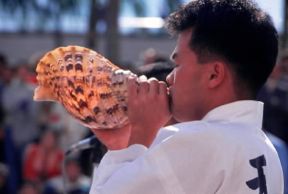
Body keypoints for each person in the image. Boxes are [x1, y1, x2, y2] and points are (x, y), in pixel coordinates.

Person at [89, 0, 284, 193]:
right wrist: (120, 144)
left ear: (214, 75)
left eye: (178, 64)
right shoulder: (267, 149)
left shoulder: (196, 141)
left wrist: (140, 134)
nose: (170, 77)